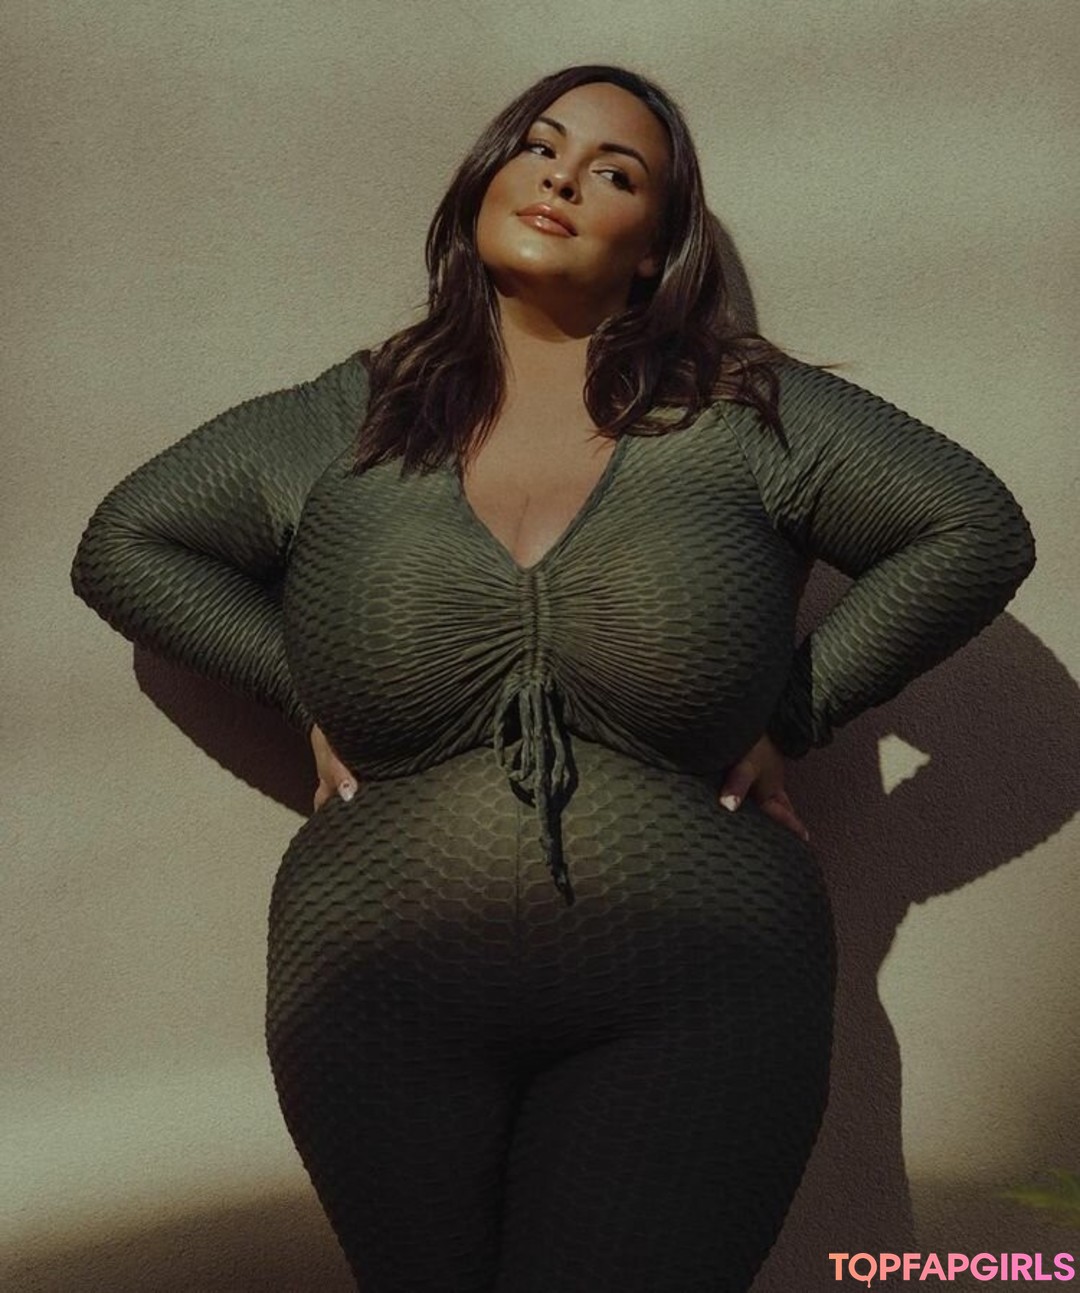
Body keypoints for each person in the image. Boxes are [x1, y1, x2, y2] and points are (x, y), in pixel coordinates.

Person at [70, 62, 1036, 1293]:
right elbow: (125, 546)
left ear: (656, 249)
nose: (564, 179)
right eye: (539, 146)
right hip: (373, 1000)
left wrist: (795, 707)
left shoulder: (747, 417)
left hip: (699, 999)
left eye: (614, 172)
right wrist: (305, 684)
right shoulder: (344, 421)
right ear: (486, 180)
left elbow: (973, 530)